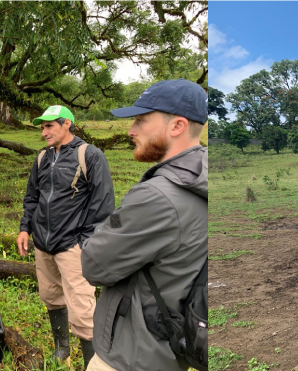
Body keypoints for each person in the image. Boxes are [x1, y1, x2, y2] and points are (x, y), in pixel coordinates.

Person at [81, 79, 208, 371]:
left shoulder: (157, 196)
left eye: (140, 120)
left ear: (177, 126)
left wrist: (105, 228)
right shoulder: (206, 180)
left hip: (129, 357)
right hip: (171, 349)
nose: (131, 130)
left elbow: (94, 264)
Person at [17, 105, 114, 367]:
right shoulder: (42, 158)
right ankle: (62, 348)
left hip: (73, 245)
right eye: (42, 127)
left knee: (82, 309)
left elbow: (103, 206)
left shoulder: (90, 156)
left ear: (67, 124)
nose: (43, 132)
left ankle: (91, 363)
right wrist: (26, 228)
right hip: (43, 243)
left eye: (49, 126)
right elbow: (32, 197)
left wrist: (85, 242)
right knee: (50, 296)